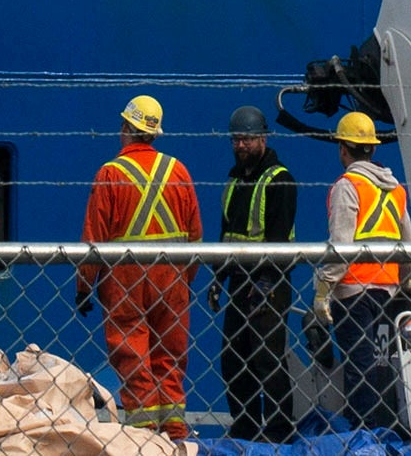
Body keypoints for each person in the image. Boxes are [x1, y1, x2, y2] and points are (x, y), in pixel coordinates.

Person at [74, 94, 200, 433]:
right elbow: (195, 236)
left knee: (133, 359)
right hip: (173, 276)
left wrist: (85, 286)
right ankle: (175, 439)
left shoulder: (110, 174)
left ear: (127, 128)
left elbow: (94, 239)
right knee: (170, 359)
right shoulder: (178, 170)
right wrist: (184, 281)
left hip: (125, 280)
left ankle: (144, 439)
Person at [321, 111, 411, 432]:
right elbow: (408, 243)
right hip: (386, 290)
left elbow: (341, 245)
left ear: (344, 149)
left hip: (353, 288)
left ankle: (363, 432)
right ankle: (375, 430)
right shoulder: (395, 188)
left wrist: (323, 287)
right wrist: (407, 278)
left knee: (358, 365)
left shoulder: (348, 186)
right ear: (371, 149)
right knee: (377, 364)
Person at [217, 105, 301, 444]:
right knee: (233, 357)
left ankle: (280, 429)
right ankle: (247, 424)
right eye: (237, 139)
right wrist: (218, 279)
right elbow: (226, 234)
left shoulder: (279, 179)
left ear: (263, 138)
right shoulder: (235, 179)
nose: (241, 146)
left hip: (270, 282)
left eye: (248, 139)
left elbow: (280, 236)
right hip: (239, 280)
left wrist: (267, 280)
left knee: (267, 357)